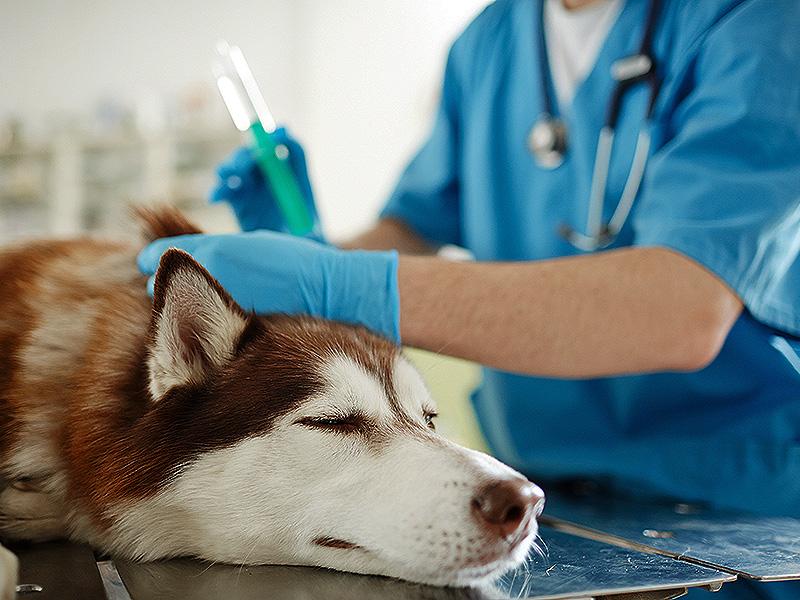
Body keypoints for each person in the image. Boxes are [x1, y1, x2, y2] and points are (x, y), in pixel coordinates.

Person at [138, 1, 800, 597]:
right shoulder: (491, 42)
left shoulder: (754, 20)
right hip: (546, 492)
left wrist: (334, 280)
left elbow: (680, 310)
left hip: (738, 502)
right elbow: (411, 229)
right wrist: (310, 246)